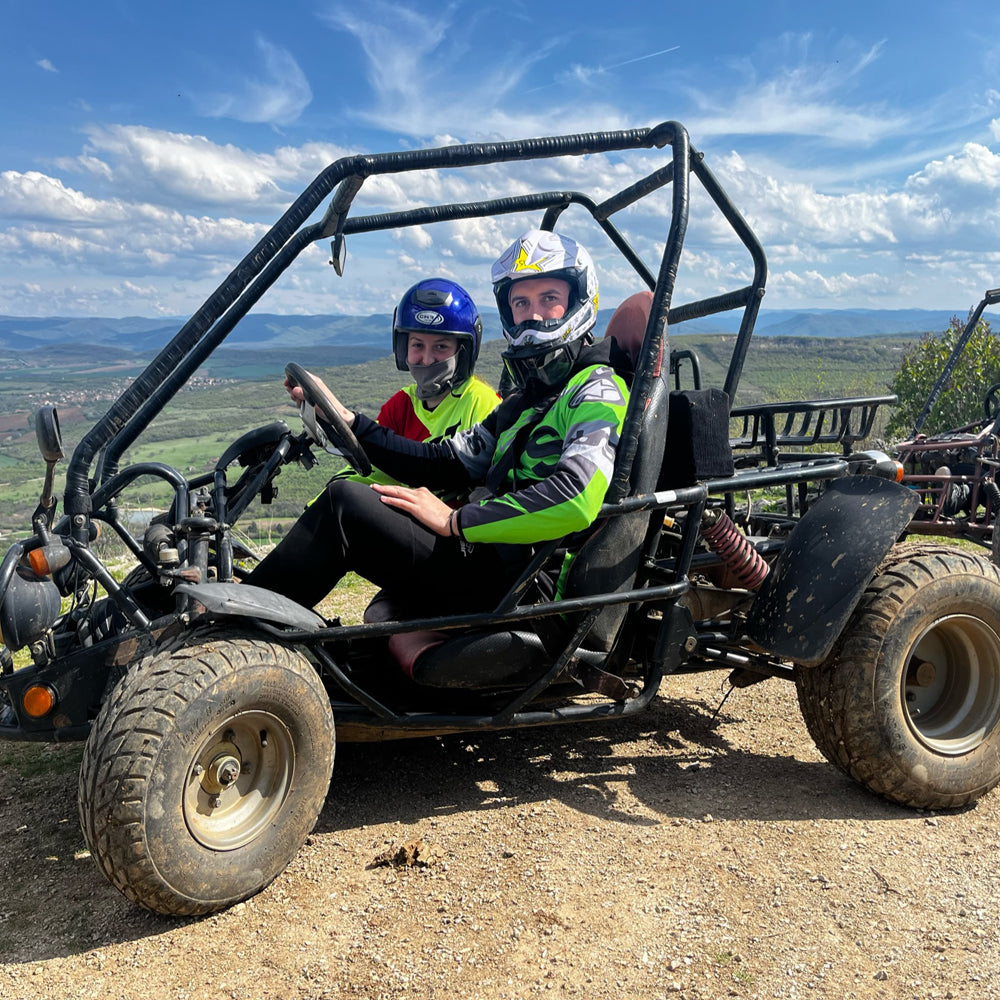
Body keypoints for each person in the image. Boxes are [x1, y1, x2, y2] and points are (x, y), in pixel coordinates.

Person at [244, 229, 630, 616]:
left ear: (578, 300)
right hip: (492, 557)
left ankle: (238, 620)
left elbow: (577, 497)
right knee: (351, 498)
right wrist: (348, 420)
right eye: (520, 302)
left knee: (343, 507)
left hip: (525, 579)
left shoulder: (596, 391)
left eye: (549, 299)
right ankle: (250, 619)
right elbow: (442, 462)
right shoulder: (527, 400)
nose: (532, 314)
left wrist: (457, 520)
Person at [328, 277, 499, 493]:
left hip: (449, 521)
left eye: (441, 346)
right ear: (402, 348)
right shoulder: (402, 404)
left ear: (462, 352)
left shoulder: (482, 403)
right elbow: (370, 465)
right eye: (417, 345)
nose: (427, 359)